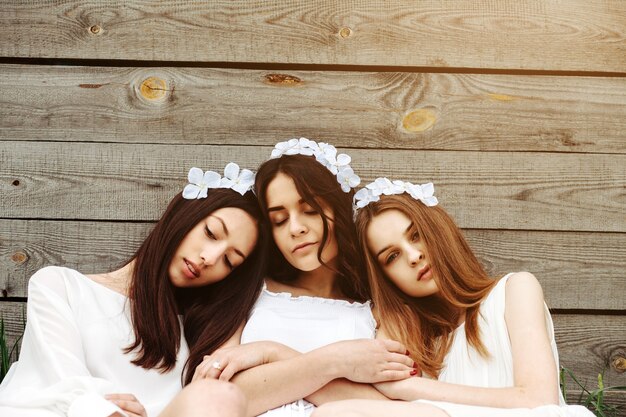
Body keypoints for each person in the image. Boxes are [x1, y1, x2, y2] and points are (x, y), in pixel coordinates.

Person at [0, 163, 269, 417]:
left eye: (229, 261)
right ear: (184, 216)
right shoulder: (61, 286)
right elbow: (64, 383)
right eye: (211, 233)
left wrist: (272, 351)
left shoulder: (202, 337)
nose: (210, 258)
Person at [311, 178, 594, 417]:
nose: (413, 256)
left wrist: (410, 389)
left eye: (416, 235)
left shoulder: (514, 291)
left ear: (437, 230)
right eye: (392, 256)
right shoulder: (415, 342)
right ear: (386, 279)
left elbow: (539, 402)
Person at [192, 139, 416, 417]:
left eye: (310, 209)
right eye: (279, 220)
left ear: (337, 209)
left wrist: (271, 354)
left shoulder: (380, 308)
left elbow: (392, 411)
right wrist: (335, 363)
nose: (296, 228)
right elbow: (213, 398)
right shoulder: (249, 292)